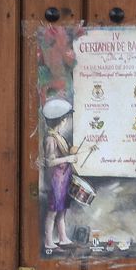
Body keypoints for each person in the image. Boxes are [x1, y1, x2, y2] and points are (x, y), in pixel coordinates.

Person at [40, 96, 78, 253]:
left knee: (62, 209)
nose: (66, 121)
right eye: (65, 119)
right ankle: (49, 242)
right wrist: (68, 158)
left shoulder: (59, 136)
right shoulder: (50, 139)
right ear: (61, 120)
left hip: (64, 177)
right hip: (56, 179)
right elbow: (49, 162)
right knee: (53, 211)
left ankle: (63, 238)